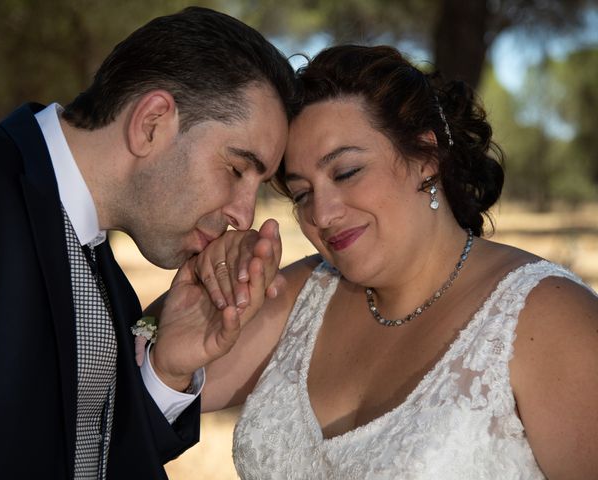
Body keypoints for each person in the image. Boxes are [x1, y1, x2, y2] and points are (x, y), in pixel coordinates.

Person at [192, 45, 598, 479]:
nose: (322, 215)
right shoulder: (304, 293)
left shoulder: (549, 318)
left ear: (426, 157)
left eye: (346, 172)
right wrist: (206, 280)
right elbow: (140, 377)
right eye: (303, 193)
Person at [0, 6, 296, 479]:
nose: (244, 215)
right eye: (237, 169)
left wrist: (167, 372)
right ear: (152, 122)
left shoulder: (111, 285)